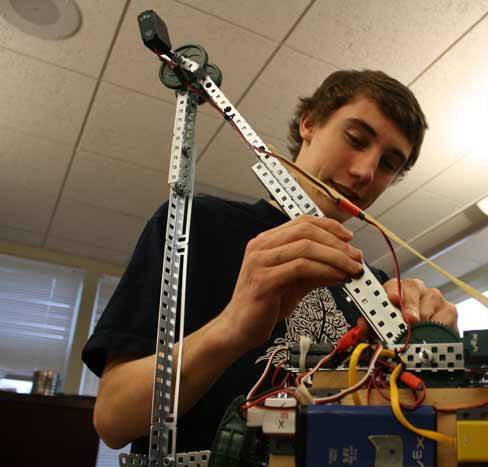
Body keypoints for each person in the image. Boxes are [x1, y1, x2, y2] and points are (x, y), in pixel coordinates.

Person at [82, 70, 458, 453]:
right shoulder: (194, 226)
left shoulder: (374, 289)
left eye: (389, 164)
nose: (365, 172)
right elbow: (113, 419)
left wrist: (433, 349)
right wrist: (231, 328)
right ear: (308, 123)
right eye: (356, 139)